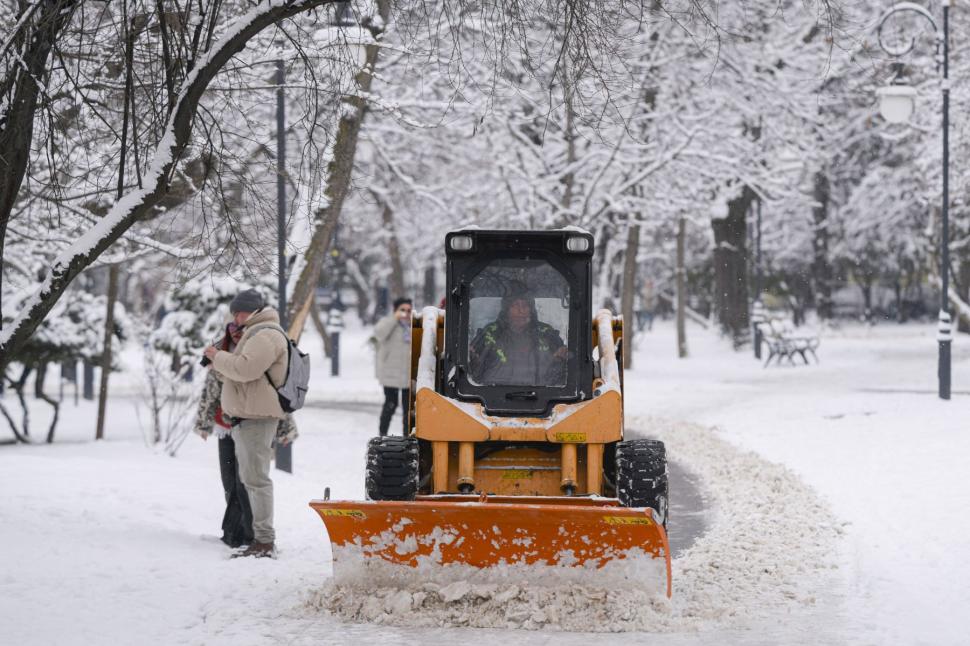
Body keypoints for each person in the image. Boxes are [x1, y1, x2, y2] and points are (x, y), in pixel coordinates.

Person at [204, 289, 287, 559]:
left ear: (251, 310)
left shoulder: (265, 334)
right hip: (248, 416)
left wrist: (218, 357)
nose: (236, 318)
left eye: (238, 313)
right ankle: (258, 538)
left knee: (256, 480)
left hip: (257, 418)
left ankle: (263, 541)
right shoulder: (256, 332)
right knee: (250, 479)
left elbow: (244, 369)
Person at [193, 319, 254, 548]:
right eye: (233, 332)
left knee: (243, 483)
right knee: (229, 482)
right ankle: (235, 532)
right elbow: (209, 392)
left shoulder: (252, 354)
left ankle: (242, 534)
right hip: (223, 428)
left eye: (240, 332)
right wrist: (203, 423)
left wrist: (284, 427)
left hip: (248, 425)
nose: (236, 336)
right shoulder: (218, 353)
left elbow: (269, 390)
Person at [468, 291, 567, 386]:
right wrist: (473, 360)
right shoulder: (490, 333)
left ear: (531, 309)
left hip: (543, 395)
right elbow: (474, 371)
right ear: (507, 309)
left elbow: (562, 369)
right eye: (515, 305)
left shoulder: (546, 333)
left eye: (525, 305)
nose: (521, 310)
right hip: (493, 394)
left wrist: (559, 359)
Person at [371, 297, 412, 436]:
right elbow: (379, 334)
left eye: (408, 310)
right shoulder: (388, 323)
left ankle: (407, 437)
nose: (405, 313)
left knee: (409, 409)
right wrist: (394, 319)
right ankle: (383, 434)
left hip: (408, 374)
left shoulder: (413, 325)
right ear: (395, 310)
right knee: (390, 404)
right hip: (391, 373)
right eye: (402, 310)